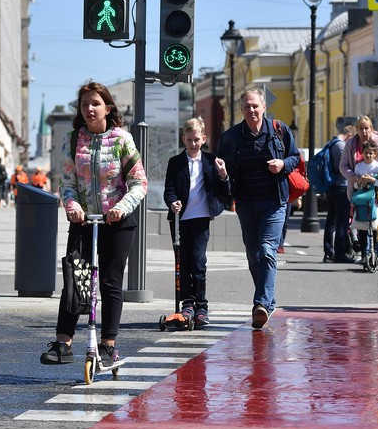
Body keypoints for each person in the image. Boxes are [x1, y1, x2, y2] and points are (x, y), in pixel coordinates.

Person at [40, 81, 147, 366]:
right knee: (76, 281)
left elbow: (139, 183)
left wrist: (121, 208)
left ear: (107, 108)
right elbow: (67, 181)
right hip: (83, 221)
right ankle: (63, 343)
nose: (89, 109)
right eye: (85, 104)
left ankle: (108, 346)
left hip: (118, 222)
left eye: (95, 104)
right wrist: (73, 206)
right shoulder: (73, 140)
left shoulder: (123, 139)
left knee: (110, 282)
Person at [215, 88, 300, 329]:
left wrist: (283, 163)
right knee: (253, 256)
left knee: (266, 250)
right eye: (246, 106)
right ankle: (268, 300)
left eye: (255, 106)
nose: (251, 110)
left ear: (263, 107)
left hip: (274, 202)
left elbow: (295, 158)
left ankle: (260, 304)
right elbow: (221, 168)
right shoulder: (231, 137)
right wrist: (222, 175)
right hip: (245, 203)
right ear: (241, 110)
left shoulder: (278, 130)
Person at [163, 117, 229, 328]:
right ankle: (187, 303)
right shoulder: (175, 162)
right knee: (182, 263)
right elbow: (169, 189)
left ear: (204, 139)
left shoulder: (211, 161)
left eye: (197, 140)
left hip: (200, 218)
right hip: (180, 219)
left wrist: (223, 175)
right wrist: (172, 202)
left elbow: (224, 191)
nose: (193, 144)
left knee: (198, 262)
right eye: (189, 140)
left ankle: (201, 306)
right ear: (184, 139)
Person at [340, 115, 378, 268]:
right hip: (360, 189)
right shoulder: (351, 144)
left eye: (367, 128)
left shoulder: (377, 141)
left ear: (372, 129)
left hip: (377, 189)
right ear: (357, 130)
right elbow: (343, 166)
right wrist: (354, 177)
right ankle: (364, 253)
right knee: (362, 221)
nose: (364, 131)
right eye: (361, 128)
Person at [322, 124, 355, 264]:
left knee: (331, 221)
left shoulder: (330, 143)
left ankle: (329, 252)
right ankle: (340, 253)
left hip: (331, 188)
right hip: (341, 187)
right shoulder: (341, 146)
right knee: (341, 221)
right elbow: (346, 167)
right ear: (349, 136)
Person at [350, 140, 378, 260]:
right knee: (362, 228)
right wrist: (359, 181)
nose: (368, 155)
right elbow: (355, 187)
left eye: (371, 153)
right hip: (361, 201)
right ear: (362, 153)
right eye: (366, 152)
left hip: (374, 201)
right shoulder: (359, 167)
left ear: (375, 154)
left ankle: (374, 253)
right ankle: (364, 255)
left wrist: (372, 180)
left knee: (375, 227)